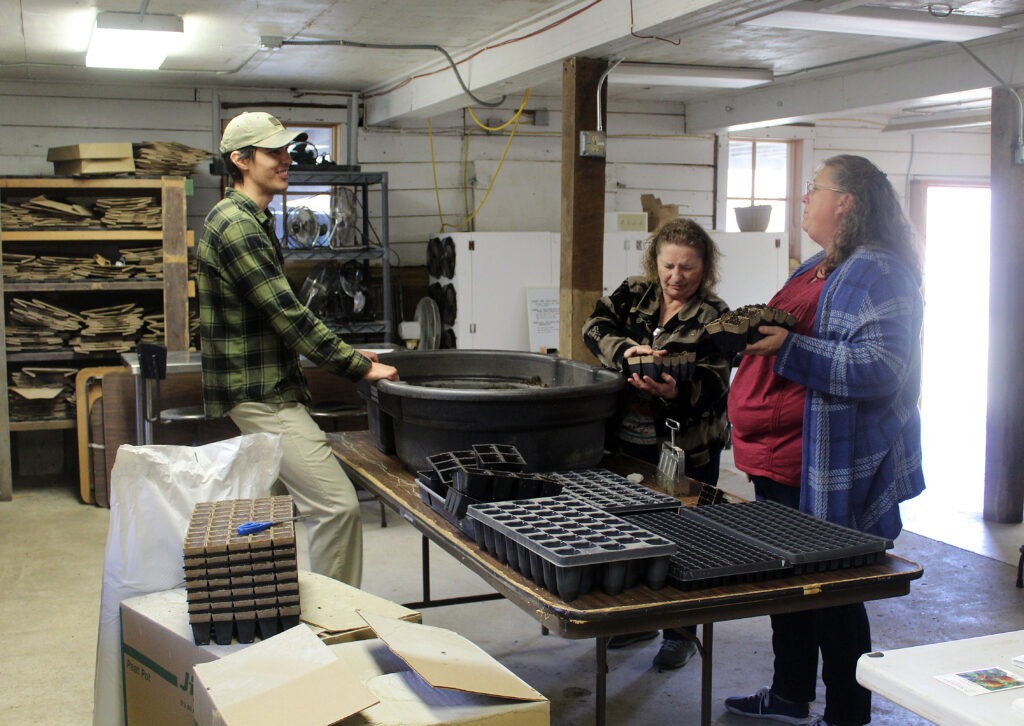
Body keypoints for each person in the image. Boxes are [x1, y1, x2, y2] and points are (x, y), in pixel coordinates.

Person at [724, 154, 926, 726]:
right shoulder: (822, 264)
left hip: (815, 466)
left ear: (848, 203)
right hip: (777, 460)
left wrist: (785, 350)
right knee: (786, 591)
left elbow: (882, 368)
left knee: (833, 596)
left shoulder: (880, 271)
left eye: (815, 189)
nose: (804, 198)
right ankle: (789, 694)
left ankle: (847, 713)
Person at [197, 111, 399, 587]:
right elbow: (285, 313)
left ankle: (263, 604)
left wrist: (349, 350)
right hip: (263, 395)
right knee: (336, 507)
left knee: (262, 512)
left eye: (286, 150)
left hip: (266, 385)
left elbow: (278, 313)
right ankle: (336, 622)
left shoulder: (251, 218)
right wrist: (353, 366)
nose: (287, 161)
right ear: (240, 161)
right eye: (274, 153)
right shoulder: (237, 226)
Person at [583, 217, 732, 670]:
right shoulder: (635, 292)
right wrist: (625, 350)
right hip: (628, 442)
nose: (676, 277)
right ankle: (640, 618)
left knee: (687, 540)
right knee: (630, 536)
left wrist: (676, 392)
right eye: (668, 265)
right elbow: (594, 324)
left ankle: (680, 633)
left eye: (687, 268)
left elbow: (716, 380)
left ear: (704, 268)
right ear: (655, 261)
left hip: (689, 449)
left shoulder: (715, 316)